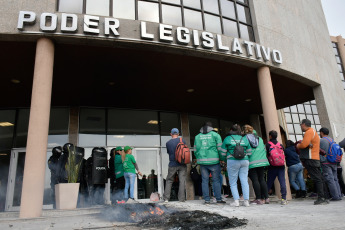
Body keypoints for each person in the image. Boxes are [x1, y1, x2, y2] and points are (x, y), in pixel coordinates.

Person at [297, 119, 327, 205]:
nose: (300, 127)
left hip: (310, 158)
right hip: (315, 158)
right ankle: (325, 197)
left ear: (303, 124)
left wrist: (298, 145)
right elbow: (310, 144)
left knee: (317, 178)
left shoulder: (309, 132)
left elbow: (304, 144)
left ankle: (321, 198)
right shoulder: (313, 131)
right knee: (320, 178)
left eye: (301, 125)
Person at [194, 122, 225, 205]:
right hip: (214, 162)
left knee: (204, 181)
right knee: (216, 180)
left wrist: (199, 158)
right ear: (211, 127)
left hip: (202, 162)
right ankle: (218, 199)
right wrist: (222, 159)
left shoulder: (197, 137)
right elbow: (220, 148)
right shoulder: (216, 135)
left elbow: (195, 150)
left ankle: (207, 200)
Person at [221, 124, 252, 207]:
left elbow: (222, 153)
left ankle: (236, 201)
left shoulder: (227, 139)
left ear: (231, 130)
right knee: (244, 180)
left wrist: (226, 159)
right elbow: (249, 152)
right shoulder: (244, 139)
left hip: (232, 161)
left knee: (233, 182)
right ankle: (246, 201)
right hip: (245, 161)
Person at [243, 125, 270, 205]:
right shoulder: (260, 139)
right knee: (261, 179)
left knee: (255, 180)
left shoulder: (244, 139)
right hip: (262, 161)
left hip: (252, 162)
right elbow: (264, 150)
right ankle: (267, 198)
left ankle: (258, 199)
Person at [163, 128, 187, 203]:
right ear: (178, 134)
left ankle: (166, 198)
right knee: (182, 181)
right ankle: (181, 199)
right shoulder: (182, 140)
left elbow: (169, 153)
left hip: (172, 164)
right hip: (182, 164)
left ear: (171, 134)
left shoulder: (168, 143)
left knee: (169, 180)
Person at [319, 128, 342, 201]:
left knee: (330, 180)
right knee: (335, 179)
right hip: (334, 162)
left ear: (321, 132)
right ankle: (339, 195)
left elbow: (321, 152)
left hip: (326, 162)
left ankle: (335, 197)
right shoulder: (332, 140)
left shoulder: (322, 140)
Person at [266, 130, 287, 205]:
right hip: (281, 165)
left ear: (270, 136)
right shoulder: (280, 145)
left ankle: (266, 198)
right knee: (282, 182)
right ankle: (284, 199)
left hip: (272, 166)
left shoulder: (268, 145)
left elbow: (266, 155)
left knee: (269, 182)